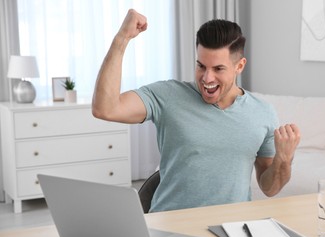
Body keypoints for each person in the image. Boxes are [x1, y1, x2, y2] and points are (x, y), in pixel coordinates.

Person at [92, 9, 300, 212]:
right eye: (201, 66)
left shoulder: (263, 113)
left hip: (232, 229)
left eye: (218, 69)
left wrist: (284, 159)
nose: (207, 78)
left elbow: (269, 188)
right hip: (170, 225)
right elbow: (105, 109)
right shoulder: (167, 95)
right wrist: (122, 38)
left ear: (239, 66)